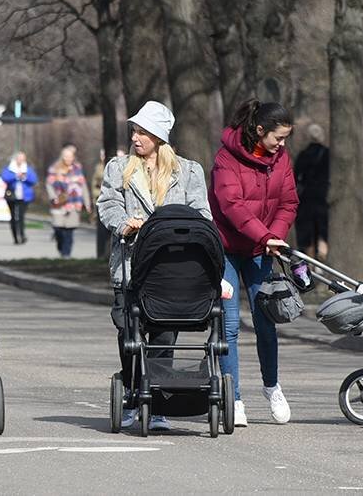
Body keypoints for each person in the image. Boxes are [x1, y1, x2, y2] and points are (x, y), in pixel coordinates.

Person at [97, 101, 211, 432]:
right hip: (130, 267)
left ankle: (157, 403)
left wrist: (178, 230)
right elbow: (108, 204)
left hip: (171, 270)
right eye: (134, 131)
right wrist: (124, 224)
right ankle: (135, 393)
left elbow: (202, 214)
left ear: (159, 137)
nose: (135, 137)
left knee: (163, 336)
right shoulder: (118, 168)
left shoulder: (188, 171)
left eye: (143, 132)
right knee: (128, 335)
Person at [209, 100, 298, 427]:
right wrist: (264, 236)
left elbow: (288, 202)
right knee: (229, 326)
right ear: (259, 131)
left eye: (286, 138)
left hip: (263, 248)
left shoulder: (281, 159)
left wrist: (273, 236)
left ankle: (271, 386)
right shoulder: (226, 159)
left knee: (265, 319)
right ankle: (233, 398)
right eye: (278, 137)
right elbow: (230, 205)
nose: (282, 144)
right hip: (228, 248)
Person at [46, 143, 92, 257]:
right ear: (62, 157)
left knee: (69, 231)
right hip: (59, 204)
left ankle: (66, 254)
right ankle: (60, 246)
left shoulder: (77, 169)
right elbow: (49, 184)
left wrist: (87, 203)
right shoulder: (54, 168)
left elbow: (83, 186)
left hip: (73, 203)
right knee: (58, 229)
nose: (68, 159)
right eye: (66, 156)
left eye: (70, 157)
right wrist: (53, 198)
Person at [292, 123, 329, 260]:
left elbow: (295, 176)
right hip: (322, 196)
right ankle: (322, 255)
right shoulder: (327, 154)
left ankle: (308, 260)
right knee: (322, 229)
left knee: (306, 231)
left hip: (306, 197)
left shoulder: (303, 154)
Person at [0, 152, 37, 245]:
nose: (20, 160)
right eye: (19, 158)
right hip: (12, 196)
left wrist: (24, 177)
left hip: (24, 197)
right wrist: (16, 176)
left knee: (21, 217)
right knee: (13, 217)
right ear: (16, 159)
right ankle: (15, 237)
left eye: (22, 158)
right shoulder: (10, 168)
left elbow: (34, 180)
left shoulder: (28, 169)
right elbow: (4, 177)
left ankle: (22, 235)